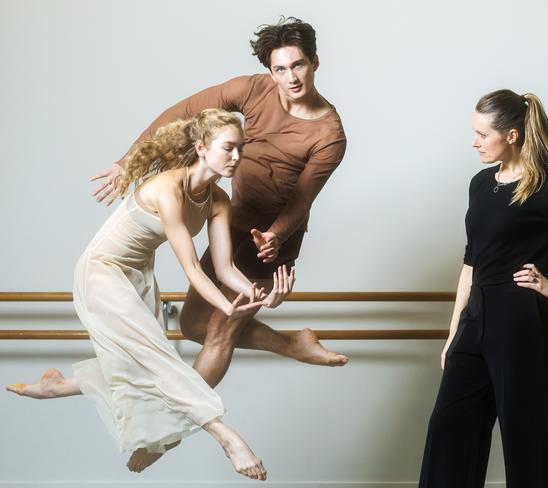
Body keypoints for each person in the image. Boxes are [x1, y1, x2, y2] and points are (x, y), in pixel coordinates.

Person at [7, 109, 297, 481]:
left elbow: (224, 269)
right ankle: (225, 437)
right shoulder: (167, 190)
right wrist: (229, 307)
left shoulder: (218, 200)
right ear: (201, 147)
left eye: (241, 149)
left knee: (139, 363)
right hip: (101, 272)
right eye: (228, 148)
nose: (237, 158)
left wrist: (261, 294)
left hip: (137, 275)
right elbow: (192, 268)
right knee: (156, 359)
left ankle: (58, 386)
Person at [89, 17, 348, 387]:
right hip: (232, 222)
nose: (291, 77)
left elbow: (302, 199)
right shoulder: (252, 89)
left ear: (314, 63)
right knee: (193, 324)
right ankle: (293, 343)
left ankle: (178, 418)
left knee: (220, 333)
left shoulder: (329, 134)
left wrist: (275, 235)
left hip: (272, 244)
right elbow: (184, 111)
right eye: (280, 68)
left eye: (298, 65)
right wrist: (128, 160)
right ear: (270, 71)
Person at [419, 90, 548, 487]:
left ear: (511, 135)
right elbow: (470, 264)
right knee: (449, 433)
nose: (474, 141)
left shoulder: (547, 185)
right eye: (474, 132)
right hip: (475, 320)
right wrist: (452, 335)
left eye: (482, 133)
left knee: (526, 439)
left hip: (521, 324)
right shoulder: (480, 184)